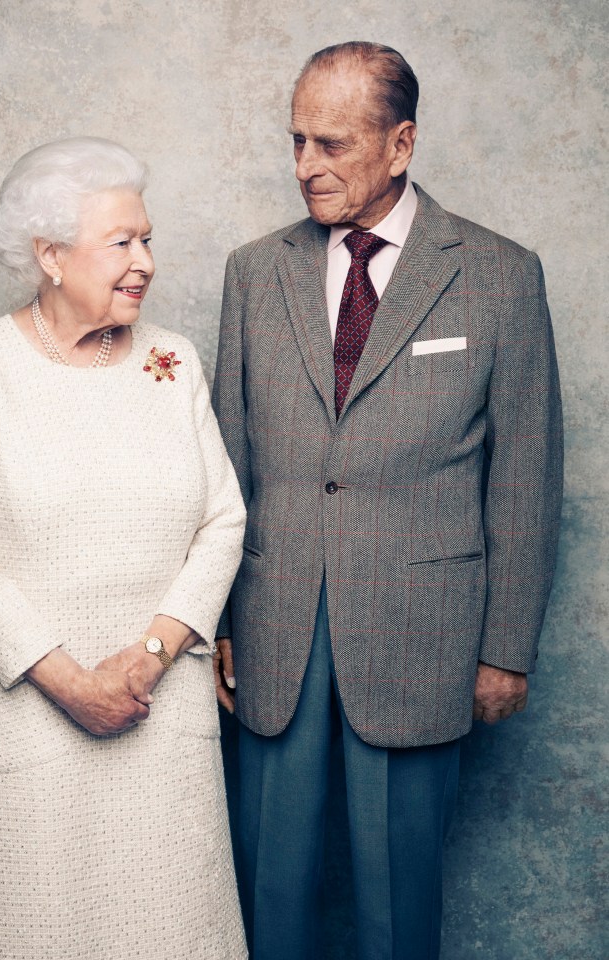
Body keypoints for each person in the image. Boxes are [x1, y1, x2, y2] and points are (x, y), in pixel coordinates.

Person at [212, 42, 563, 960]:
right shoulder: (254, 273)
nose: (304, 167)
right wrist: (218, 621)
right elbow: (227, 463)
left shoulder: (499, 274)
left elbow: (526, 476)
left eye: (331, 145)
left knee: (399, 902)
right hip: (275, 621)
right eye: (296, 142)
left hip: (425, 633)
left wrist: (504, 647)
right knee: (268, 887)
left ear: (401, 145)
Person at [0, 136, 248, 960]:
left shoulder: (174, 360)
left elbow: (223, 520)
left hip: (158, 707)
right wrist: (71, 685)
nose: (143, 261)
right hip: (29, 720)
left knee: (176, 933)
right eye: (121, 242)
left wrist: (146, 658)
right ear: (50, 255)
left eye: (147, 239)